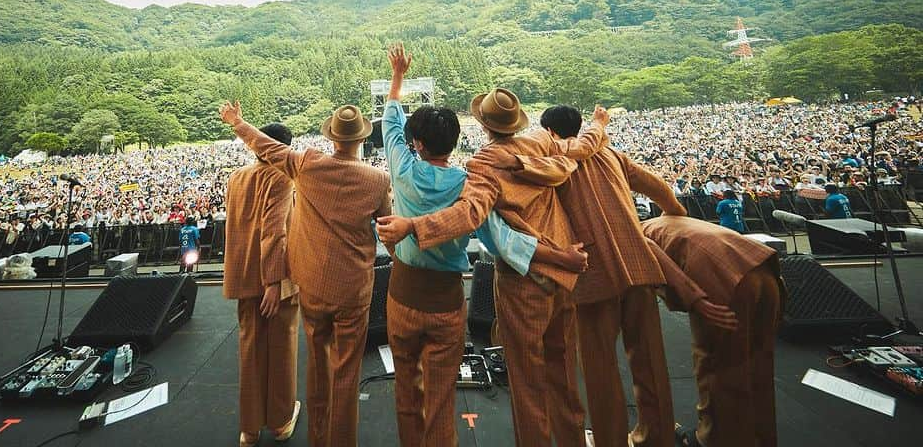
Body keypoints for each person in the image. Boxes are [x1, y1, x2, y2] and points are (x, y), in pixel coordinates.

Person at [380, 45, 587, 447]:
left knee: (407, 392)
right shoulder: (467, 182)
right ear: (455, 142)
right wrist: (558, 256)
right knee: (441, 399)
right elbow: (499, 239)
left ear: (416, 143)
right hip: (446, 302)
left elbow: (391, 118)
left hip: (402, 295)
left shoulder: (400, 166)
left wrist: (398, 76)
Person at [221, 100, 390, 447]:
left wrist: (238, 122)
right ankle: (327, 435)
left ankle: (291, 434)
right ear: (361, 140)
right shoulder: (376, 178)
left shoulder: (304, 165)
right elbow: (386, 225)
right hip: (338, 286)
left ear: (331, 136)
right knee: (338, 368)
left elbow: (264, 147)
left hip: (298, 282)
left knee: (306, 361)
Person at [538, 104, 686, 447]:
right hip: (638, 265)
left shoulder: (555, 161)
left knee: (599, 367)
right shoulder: (612, 154)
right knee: (650, 359)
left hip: (594, 275)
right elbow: (657, 185)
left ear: (551, 133)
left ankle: (610, 440)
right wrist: (677, 214)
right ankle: (657, 435)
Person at [642, 215, 785, 447]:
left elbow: (649, 250)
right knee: (758, 365)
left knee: (716, 365)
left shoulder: (630, 234)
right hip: (763, 270)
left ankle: (710, 439)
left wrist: (695, 299)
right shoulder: (665, 221)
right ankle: (761, 438)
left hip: (723, 282)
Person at [223, 122, 300, 447]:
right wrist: (273, 282)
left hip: (243, 275)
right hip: (275, 278)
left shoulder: (237, 178)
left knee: (250, 349)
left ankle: (249, 429)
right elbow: (274, 231)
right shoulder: (281, 177)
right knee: (281, 347)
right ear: (281, 149)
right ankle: (281, 421)